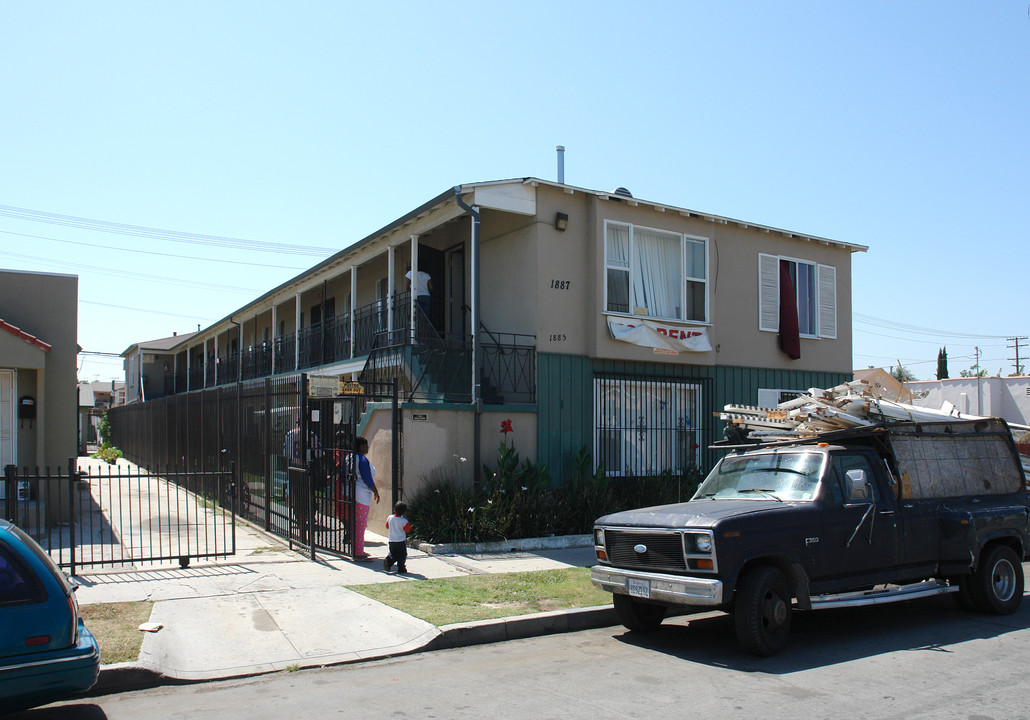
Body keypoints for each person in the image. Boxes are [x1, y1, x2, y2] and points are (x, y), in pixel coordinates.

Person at [353, 436, 380, 560]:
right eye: (366, 445)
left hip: (351, 493)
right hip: (362, 494)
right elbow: (367, 478)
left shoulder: (350, 458)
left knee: (353, 523)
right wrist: (375, 491)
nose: (368, 447)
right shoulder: (362, 460)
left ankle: (354, 548)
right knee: (360, 524)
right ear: (361, 446)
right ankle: (358, 552)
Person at [383, 501, 411, 573]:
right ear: (404, 512)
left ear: (394, 509)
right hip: (401, 541)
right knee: (402, 554)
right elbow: (407, 530)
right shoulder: (404, 521)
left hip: (392, 540)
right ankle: (401, 567)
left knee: (392, 553)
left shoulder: (390, 518)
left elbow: (387, 526)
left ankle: (388, 561)